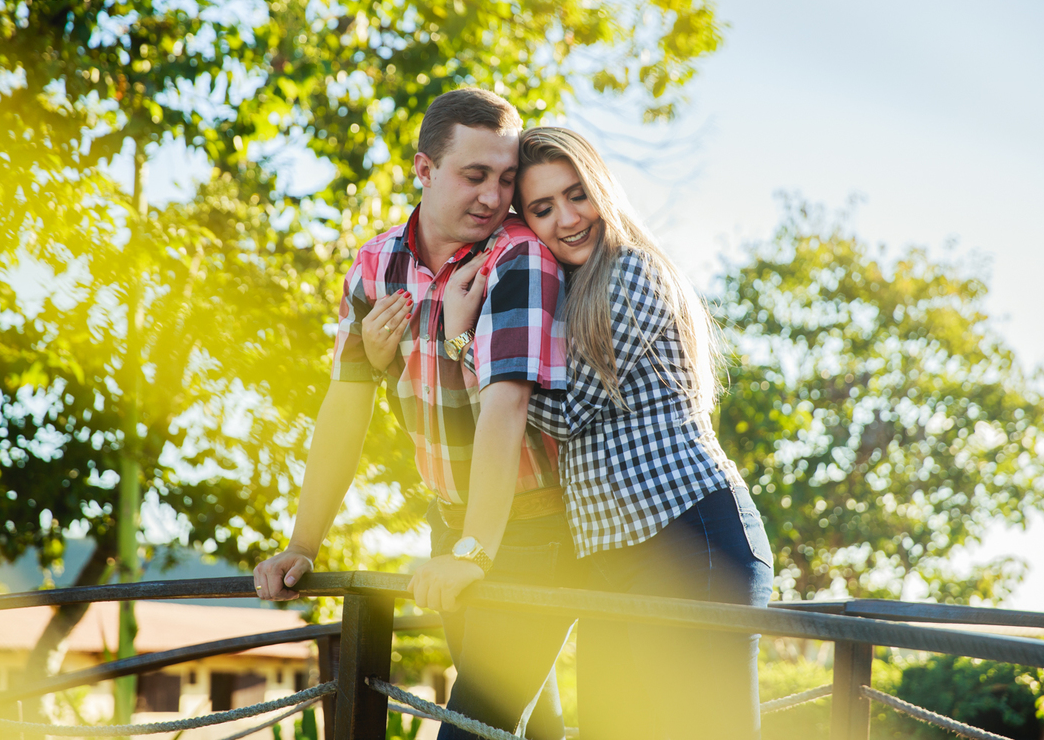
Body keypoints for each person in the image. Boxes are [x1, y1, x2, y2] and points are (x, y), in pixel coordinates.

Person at [365, 126, 775, 738]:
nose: (567, 218)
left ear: (602, 189)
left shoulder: (631, 274)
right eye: (543, 208)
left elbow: (565, 411)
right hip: (612, 557)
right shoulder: (569, 291)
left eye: (576, 194)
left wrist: (463, 338)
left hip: (692, 540)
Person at [253, 89, 582, 740]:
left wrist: (473, 553)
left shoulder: (519, 258)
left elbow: (505, 408)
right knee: (529, 727)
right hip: (452, 529)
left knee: (471, 724)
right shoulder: (377, 265)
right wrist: (302, 544)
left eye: (506, 178)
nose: (493, 196)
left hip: (535, 534)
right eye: (474, 175)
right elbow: (345, 407)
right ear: (424, 169)